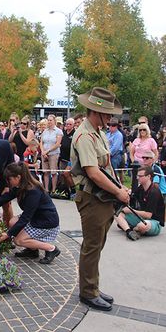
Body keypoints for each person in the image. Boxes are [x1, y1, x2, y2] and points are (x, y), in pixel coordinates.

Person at [70, 87, 130, 311]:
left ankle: (92, 285)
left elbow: (106, 166)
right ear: (95, 111)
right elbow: (93, 172)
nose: (110, 118)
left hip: (101, 197)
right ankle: (88, 292)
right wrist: (117, 192)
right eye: (107, 114)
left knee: (97, 243)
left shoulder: (98, 132)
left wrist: (119, 186)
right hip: (92, 198)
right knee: (92, 245)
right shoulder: (85, 135)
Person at [0, 162, 60, 265]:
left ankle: (51, 249)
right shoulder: (21, 186)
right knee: (12, 222)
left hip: (46, 222)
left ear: (18, 177)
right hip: (36, 218)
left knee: (18, 241)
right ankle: (32, 250)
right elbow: (6, 197)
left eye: (9, 179)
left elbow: (26, 217)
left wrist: (8, 234)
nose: (8, 182)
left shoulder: (33, 191)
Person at [115, 166, 164, 240]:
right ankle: (129, 231)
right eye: (137, 176)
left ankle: (132, 228)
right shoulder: (141, 187)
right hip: (142, 218)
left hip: (154, 222)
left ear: (148, 176)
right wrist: (125, 192)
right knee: (117, 214)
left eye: (140, 176)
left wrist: (131, 210)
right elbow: (132, 197)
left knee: (142, 226)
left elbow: (148, 215)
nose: (137, 178)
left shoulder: (154, 192)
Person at [40, 114, 63, 194]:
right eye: (48, 120)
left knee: (53, 172)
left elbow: (57, 144)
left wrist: (48, 151)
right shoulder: (45, 131)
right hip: (44, 154)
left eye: (50, 120)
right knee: (45, 172)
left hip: (53, 153)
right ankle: (46, 189)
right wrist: (43, 151)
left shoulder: (58, 131)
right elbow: (41, 142)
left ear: (54, 121)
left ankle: (53, 190)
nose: (49, 121)